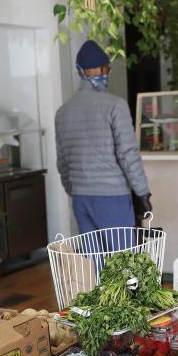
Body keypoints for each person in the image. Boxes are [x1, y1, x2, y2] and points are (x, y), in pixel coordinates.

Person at [54, 40, 152, 235]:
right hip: (112, 197)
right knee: (122, 262)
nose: (107, 72)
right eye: (107, 67)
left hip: (81, 198)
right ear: (100, 69)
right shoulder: (115, 105)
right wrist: (142, 193)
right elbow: (127, 154)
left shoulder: (63, 112)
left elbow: (62, 162)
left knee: (94, 261)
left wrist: (74, 191)